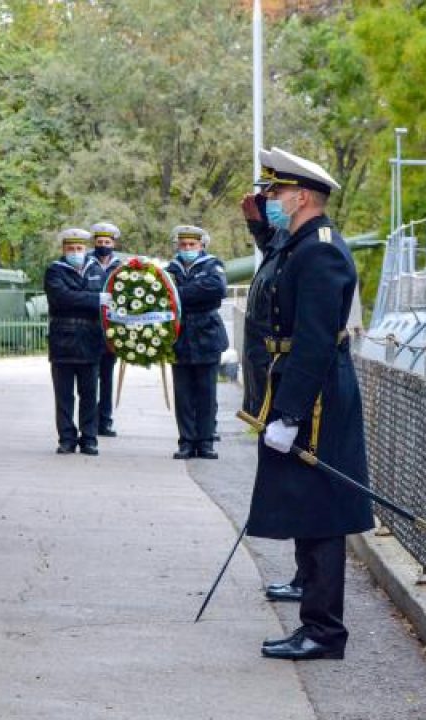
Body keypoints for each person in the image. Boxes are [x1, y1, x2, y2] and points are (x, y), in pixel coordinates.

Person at [240, 146, 374, 661]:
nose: (271, 198)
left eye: (277, 192)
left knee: (320, 511)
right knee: (305, 501)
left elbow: (316, 341)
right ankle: (310, 605)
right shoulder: (299, 242)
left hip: (315, 397)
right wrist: (259, 223)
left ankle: (323, 631)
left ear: (301, 197)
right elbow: (278, 266)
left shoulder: (320, 250)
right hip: (300, 388)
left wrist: (291, 413)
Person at [44, 228, 110, 455]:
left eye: (79, 248)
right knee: (64, 396)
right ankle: (66, 438)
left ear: (85, 249)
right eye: (71, 248)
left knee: (90, 394)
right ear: (64, 249)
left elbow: (106, 302)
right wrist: (95, 300)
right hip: (63, 341)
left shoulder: (96, 271)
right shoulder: (54, 271)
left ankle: (89, 438)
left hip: (91, 340)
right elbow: (62, 299)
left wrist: (88, 301)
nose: (75, 252)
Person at [165, 225, 228, 460]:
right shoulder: (170, 270)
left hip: (206, 334)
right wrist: (193, 292)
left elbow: (216, 289)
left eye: (192, 244)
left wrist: (178, 293)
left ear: (202, 246)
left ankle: (206, 442)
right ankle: (186, 442)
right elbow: (161, 295)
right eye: (183, 245)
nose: (187, 248)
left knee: (206, 393)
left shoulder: (213, 265)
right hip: (179, 336)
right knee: (183, 395)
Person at [89, 221, 122, 437]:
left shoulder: (121, 267)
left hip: (111, 332)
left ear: (113, 243)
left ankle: (105, 421)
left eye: (107, 242)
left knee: (107, 379)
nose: (103, 246)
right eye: (100, 242)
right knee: (90, 380)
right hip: (90, 330)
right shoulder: (87, 264)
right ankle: (90, 421)